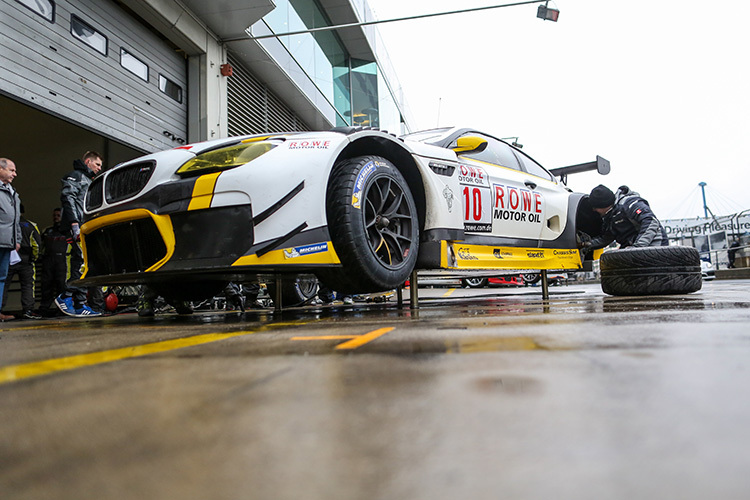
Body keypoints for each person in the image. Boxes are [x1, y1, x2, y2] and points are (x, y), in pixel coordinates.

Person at [54, 151, 103, 317]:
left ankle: (79, 305)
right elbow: (68, 197)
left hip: (86, 226)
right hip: (77, 226)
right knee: (83, 262)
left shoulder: (90, 180)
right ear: (88, 161)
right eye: (97, 165)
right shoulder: (75, 176)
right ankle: (66, 297)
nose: (99, 168)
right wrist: (74, 224)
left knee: (83, 263)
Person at [581, 184, 669, 251]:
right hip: (631, 247)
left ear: (603, 205)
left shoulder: (629, 204)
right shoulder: (610, 217)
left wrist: (637, 247)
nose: (594, 210)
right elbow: (606, 238)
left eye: (595, 207)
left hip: (654, 245)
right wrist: (584, 244)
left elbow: (651, 222)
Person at [1, 204, 42, 319]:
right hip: (26, 260)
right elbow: (36, 244)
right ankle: (28, 310)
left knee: (3, 284)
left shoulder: (6, 224)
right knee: (28, 285)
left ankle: (0, 309)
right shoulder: (30, 225)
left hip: (8, 259)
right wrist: (34, 257)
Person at [0, 158, 22, 322]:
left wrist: (17, 239)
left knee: (2, 277)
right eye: (11, 170)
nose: (15, 174)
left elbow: (16, 219)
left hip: (8, 242)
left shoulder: (12, 192)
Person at [39, 208, 68, 316]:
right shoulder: (47, 231)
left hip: (62, 261)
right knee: (46, 285)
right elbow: (40, 245)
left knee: (61, 285)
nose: (56, 217)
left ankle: (62, 308)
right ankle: (44, 308)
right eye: (54, 215)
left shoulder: (67, 230)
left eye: (58, 215)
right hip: (48, 261)